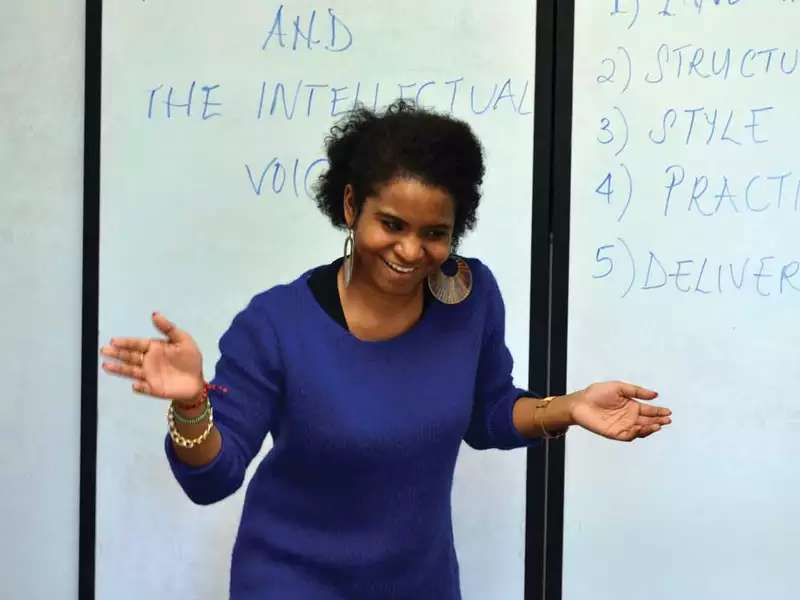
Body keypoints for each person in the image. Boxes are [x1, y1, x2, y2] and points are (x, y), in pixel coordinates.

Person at [99, 100, 671, 599]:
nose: (410, 250)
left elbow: (487, 413)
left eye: (434, 233)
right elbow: (213, 480)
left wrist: (567, 408)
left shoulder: (469, 298)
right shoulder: (276, 324)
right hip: (290, 583)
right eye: (391, 224)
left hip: (420, 584)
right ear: (352, 206)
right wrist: (192, 403)